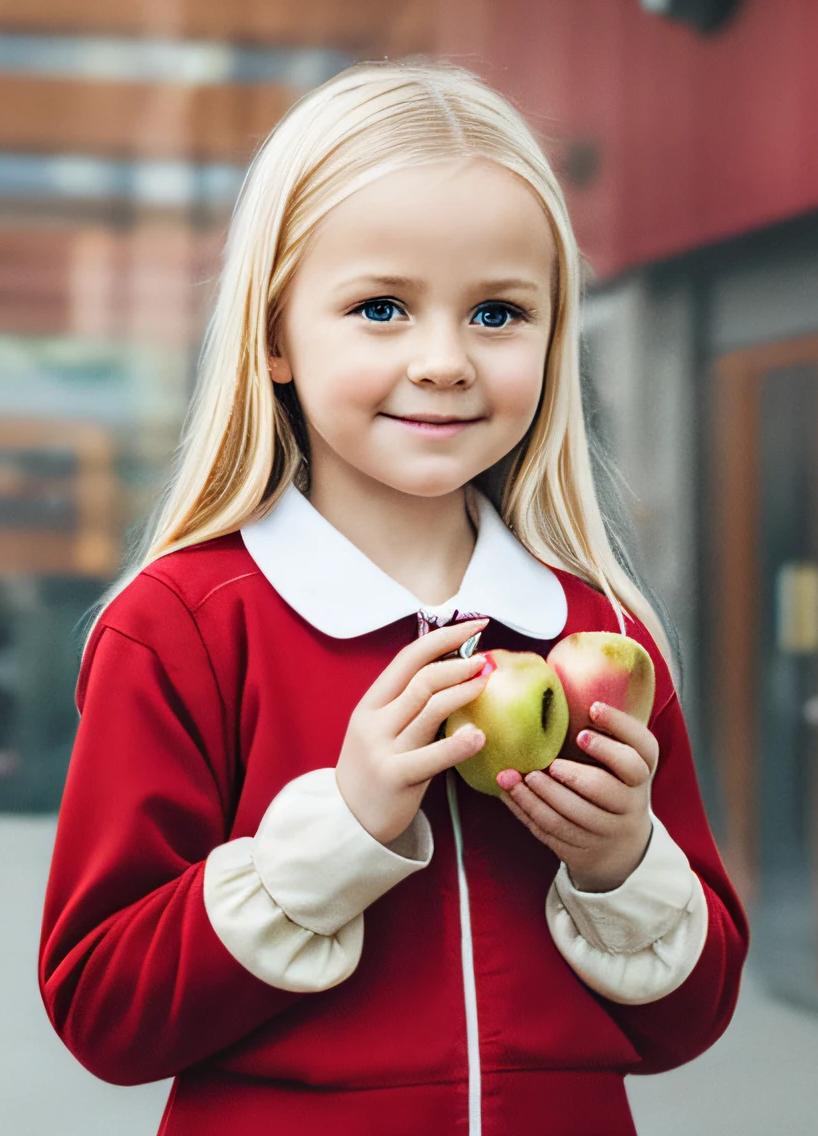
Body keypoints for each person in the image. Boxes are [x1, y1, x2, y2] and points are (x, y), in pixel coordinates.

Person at [38, 61, 747, 1133]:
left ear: (555, 340)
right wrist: (343, 830)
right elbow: (104, 1009)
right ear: (272, 336)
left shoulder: (600, 630)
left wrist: (617, 863)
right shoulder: (180, 625)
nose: (443, 361)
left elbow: (686, 1022)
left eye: (498, 313)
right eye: (379, 307)